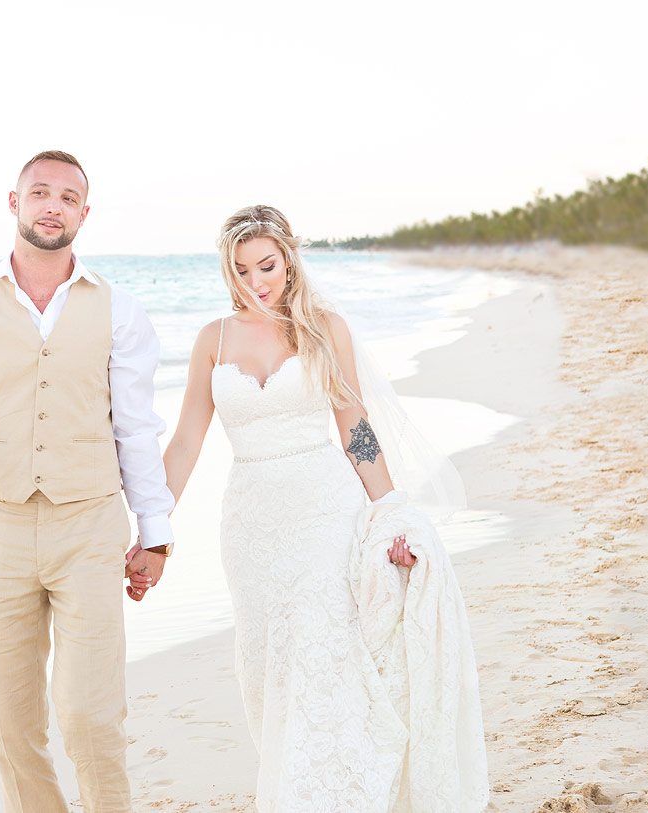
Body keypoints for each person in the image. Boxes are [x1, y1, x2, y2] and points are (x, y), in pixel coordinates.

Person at [150, 205, 488, 811]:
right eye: (243, 268)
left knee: (325, 657)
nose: (257, 281)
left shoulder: (325, 329)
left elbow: (354, 426)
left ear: (290, 258)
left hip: (324, 513)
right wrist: (153, 525)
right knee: (268, 671)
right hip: (251, 525)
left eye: (268, 265)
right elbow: (184, 443)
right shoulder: (213, 339)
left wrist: (390, 511)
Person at [0, 150, 175, 813]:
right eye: (40, 192)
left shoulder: (121, 312)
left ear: (83, 212)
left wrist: (155, 533)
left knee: (88, 714)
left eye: (68, 196)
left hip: (90, 527)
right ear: (14, 202)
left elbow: (136, 428)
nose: (53, 204)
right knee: (14, 724)